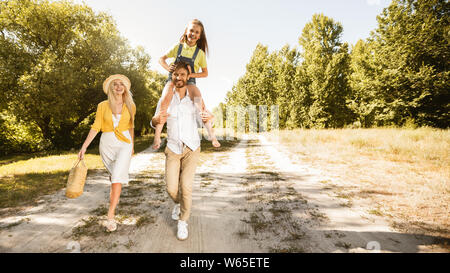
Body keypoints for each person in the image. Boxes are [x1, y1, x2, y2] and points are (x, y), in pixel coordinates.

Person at [151, 61, 210, 240]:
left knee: (186, 187)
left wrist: (210, 121)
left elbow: (204, 116)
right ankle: (178, 203)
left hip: (192, 148)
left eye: (182, 74)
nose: (179, 77)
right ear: (172, 75)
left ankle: (183, 221)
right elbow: (155, 120)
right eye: (176, 74)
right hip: (173, 148)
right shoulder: (166, 97)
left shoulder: (194, 96)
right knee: (171, 188)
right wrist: (155, 124)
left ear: (188, 76)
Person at [78, 74, 136, 232]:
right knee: (114, 177)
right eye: (115, 84)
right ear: (111, 88)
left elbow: (131, 126)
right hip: (107, 144)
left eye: (121, 84)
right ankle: (115, 192)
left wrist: (132, 146)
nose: (118, 87)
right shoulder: (102, 105)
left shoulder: (130, 105)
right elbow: (96, 126)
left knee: (117, 177)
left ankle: (110, 215)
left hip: (124, 142)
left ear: (125, 87)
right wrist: (84, 147)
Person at [152, 18, 220, 150]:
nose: (193, 34)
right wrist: (169, 69)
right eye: (191, 31)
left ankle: (212, 135)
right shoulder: (178, 47)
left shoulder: (200, 54)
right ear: (186, 32)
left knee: (201, 105)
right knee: (164, 101)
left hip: (189, 81)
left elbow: (205, 73)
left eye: (196, 32)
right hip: (173, 79)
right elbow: (161, 59)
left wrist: (190, 75)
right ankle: (157, 135)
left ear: (200, 36)